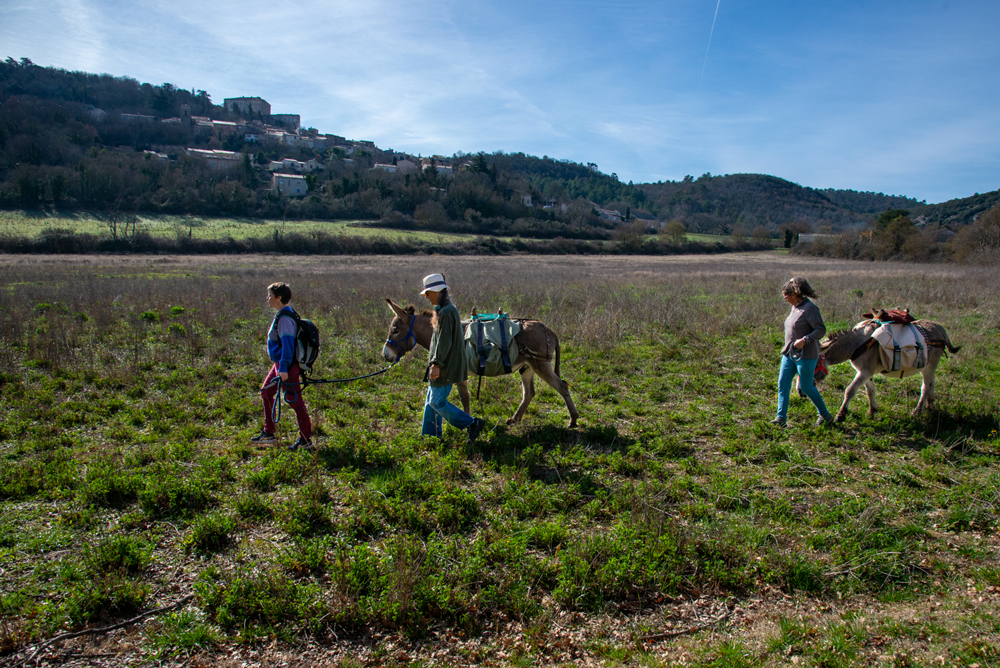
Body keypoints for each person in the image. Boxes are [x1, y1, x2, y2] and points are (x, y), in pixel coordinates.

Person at [419, 273, 486, 443]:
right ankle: (431, 435)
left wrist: (436, 363)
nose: (426, 297)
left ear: (437, 291)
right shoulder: (443, 309)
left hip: (445, 365)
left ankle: (471, 424)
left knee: (437, 402)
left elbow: (444, 342)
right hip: (441, 364)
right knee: (430, 400)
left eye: (428, 293)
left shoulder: (447, 312)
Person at [251, 282, 313, 450]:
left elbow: (287, 345)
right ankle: (269, 434)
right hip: (280, 363)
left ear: (279, 298)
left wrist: (284, 368)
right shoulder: (285, 314)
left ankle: (306, 441)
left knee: (296, 402)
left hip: (286, 365)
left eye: (270, 295)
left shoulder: (285, 318)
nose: (267, 298)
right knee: (266, 392)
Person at [773, 277, 834, 428]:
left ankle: (825, 415)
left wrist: (805, 340)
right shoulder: (796, 306)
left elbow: (821, 329)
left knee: (807, 387)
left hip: (805, 356)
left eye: (786, 296)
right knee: (783, 384)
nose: (784, 299)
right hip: (789, 353)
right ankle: (780, 418)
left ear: (794, 295)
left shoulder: (810, 309)